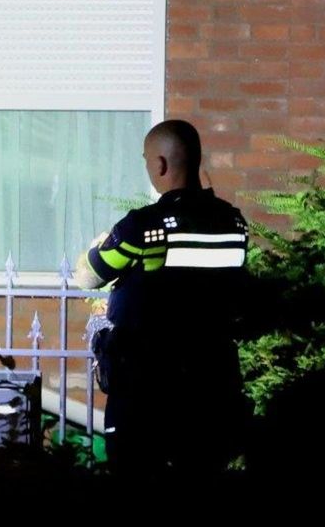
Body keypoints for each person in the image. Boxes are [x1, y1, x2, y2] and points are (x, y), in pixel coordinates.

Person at [73, 120, 250, 475]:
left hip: (148, 386)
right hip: (211, 381)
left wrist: (98, 245)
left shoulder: (144, 227)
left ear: (160, 164)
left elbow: (90, 274)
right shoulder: (232, 224)